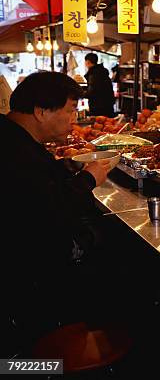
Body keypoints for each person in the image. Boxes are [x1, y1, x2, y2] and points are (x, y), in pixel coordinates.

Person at [0, 72, 111, 355]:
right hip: (25, 282)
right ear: (40, 111)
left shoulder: (15, 138)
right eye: (70, 110)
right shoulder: (14, 152)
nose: (74, 118)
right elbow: (48, 209)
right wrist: (89, 179)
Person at [84, 52, 115, 117]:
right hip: (108, 105)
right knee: (108, 124)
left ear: (88, 62)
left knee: (99, 125)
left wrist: (79, 94)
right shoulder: (102, 71)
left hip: (98, 107)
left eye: (85, 62)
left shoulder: (93, 74)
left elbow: (92, 92)